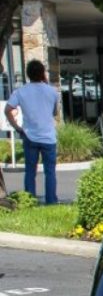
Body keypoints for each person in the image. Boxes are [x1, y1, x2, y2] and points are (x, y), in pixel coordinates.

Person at [4, 60, 60, 204]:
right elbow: (55, 112)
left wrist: (17, 127)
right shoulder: (52, 91)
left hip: (29, 135)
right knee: (50, 172)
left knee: (30, 171)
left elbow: (8, 110)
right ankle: (51, 201)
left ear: (28, 74)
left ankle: (29, 200)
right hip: (48, 136)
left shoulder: (21, 91)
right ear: (43, 73)